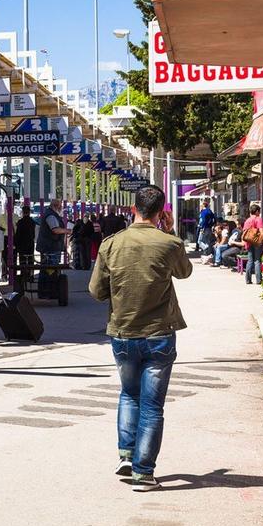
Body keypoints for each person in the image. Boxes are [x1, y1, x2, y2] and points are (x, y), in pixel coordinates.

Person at [89, 185, 192, 492]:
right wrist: (171, 233)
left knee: (128, 394)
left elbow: (96, 292)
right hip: (159, 334)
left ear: (133, 208)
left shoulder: (111, 243)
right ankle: (143, 472)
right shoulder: (169, 243)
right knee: (152, 406)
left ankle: (126, 454)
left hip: (122, 333)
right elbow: (184, 273)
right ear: (161, 212)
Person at [36, 199, 72, 294]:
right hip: (50, 247)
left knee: (47, 269)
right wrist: (67, 231)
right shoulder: (51, 216)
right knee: (50, 269)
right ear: (57, 206)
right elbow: (55, 230)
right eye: (60, 206)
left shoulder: (50, 214)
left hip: (50, 246)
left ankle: (46, 290)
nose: (61, 208)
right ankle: (48, 291)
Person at [242, 204, 263, 285]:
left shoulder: (247, 220)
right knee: (257, 261)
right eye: (259, 212)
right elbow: (262, 231)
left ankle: (248, 280)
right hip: (257, 243)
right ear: (256, 211)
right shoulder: (258, 219)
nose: (259, 213)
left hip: (249, 242)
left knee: (250, 261)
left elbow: (245, 232)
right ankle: (259, 280)